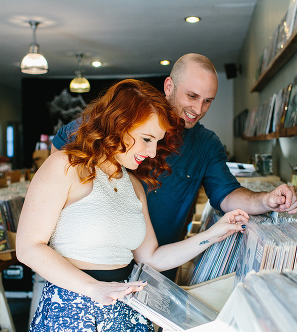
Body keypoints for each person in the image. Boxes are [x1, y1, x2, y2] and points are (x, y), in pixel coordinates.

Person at [17, 79, 250, 331]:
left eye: (157, 142)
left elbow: (152, 258)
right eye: (147, 139)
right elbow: (28, 248)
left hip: (127, 309)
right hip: (71, 308)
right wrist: (92, 288)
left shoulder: (135, 185)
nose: (152, 153)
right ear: (118, 124)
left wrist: (215, 234)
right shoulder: (65, 166)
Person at [51, 53, 297, 264]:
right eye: (192, 96)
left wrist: (267, 200)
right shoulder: (127, 116)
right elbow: (60, 153)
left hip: (158, 263)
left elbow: (227, 194)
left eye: (208, 101)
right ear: (169, 86)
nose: (198, 109)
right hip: (93, 262)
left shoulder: (206, 144)